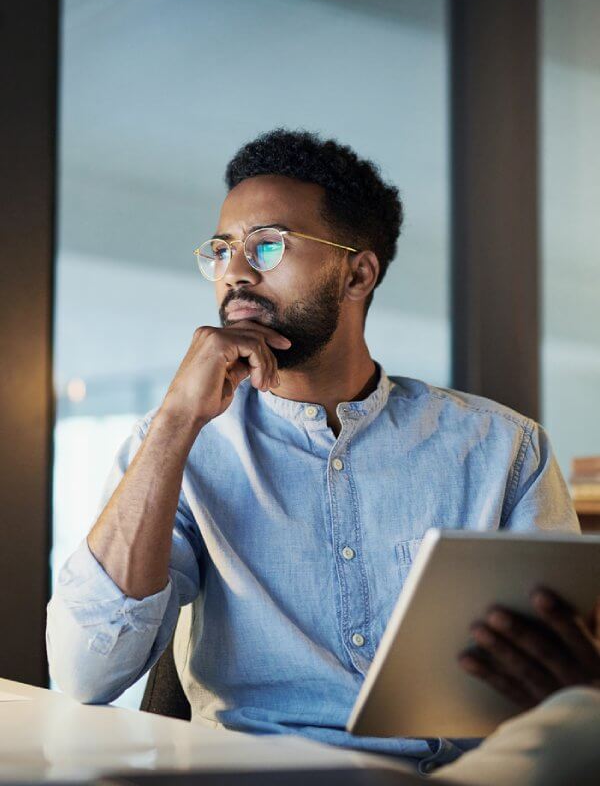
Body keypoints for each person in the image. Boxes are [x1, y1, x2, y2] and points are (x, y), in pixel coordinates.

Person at [46, 129, 600, 780]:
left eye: (267, 245)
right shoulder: (181, 441)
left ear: (357, 273)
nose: (237, 271)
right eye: (222, 250)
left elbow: (561, 685)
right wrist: (173, 421)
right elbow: (84, 673)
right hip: (254, 774)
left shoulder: (504, 447)